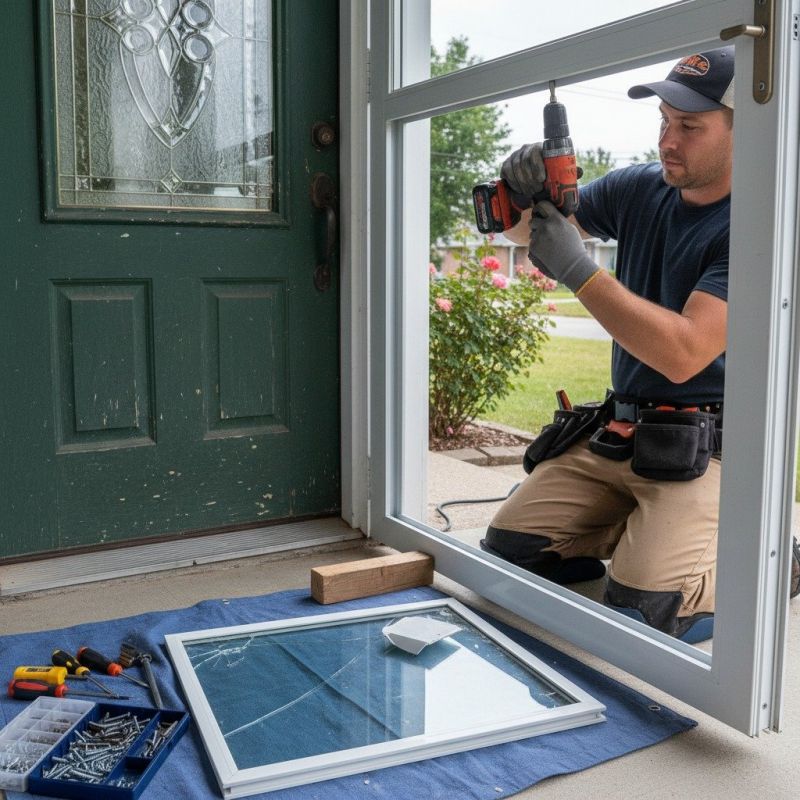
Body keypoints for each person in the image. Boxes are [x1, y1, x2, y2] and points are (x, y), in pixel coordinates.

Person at [481, 46, 799, 644]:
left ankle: (774, 557)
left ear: (747, 132)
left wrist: (580, 273)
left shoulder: (760, 227)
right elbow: (545, 235)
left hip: (707, 448)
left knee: (645, 610)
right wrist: (521, 200)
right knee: (510, 552)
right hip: (622, 433)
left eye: (689, 126)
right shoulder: (640, 187)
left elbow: (683, 353)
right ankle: (650, 530)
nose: (667, 140)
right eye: (663, 121)